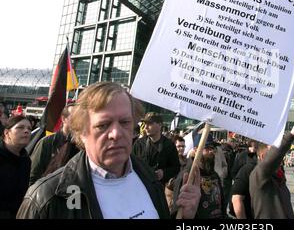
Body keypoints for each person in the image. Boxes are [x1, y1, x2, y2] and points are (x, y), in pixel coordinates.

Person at [16, 81, 200, 219]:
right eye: (103, 125)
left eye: (125, 122)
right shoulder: (45, 199)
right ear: (81, 132)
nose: (116, 134)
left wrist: (185, 217)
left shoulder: (148, 177)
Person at [249, 119, 294, 219]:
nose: (278, 155)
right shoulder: (258, 174)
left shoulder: (277, 176)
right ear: (263, 157)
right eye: (272, 151)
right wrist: (290, 136)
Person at [172, 134, 226, 219]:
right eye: (207, 148)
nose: (211, 151)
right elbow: (176, 210)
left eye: (213, 148)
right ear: (196, 150)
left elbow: (222, 204)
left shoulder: (214, 175)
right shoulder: (187, 176)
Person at [29, 104, 79, 185]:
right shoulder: (47, 142)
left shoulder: (84, 145)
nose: (79, 120)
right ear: (64, 119)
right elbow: (33, 175)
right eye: (75, 116)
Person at [132, 112, 180, 185]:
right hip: (140, 185)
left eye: (150, 124)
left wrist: (163, 173)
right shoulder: (139, 144)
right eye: (145, 124)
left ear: (160, 125)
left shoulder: (169, 145)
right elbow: (130, 164)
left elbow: (176, 168)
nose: (145, 127)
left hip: (159, 187)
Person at [0, 115, 32, 218]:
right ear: (7, 133)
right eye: (20, 127)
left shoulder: (26, 161)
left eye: (29, 128)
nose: (26, 131)